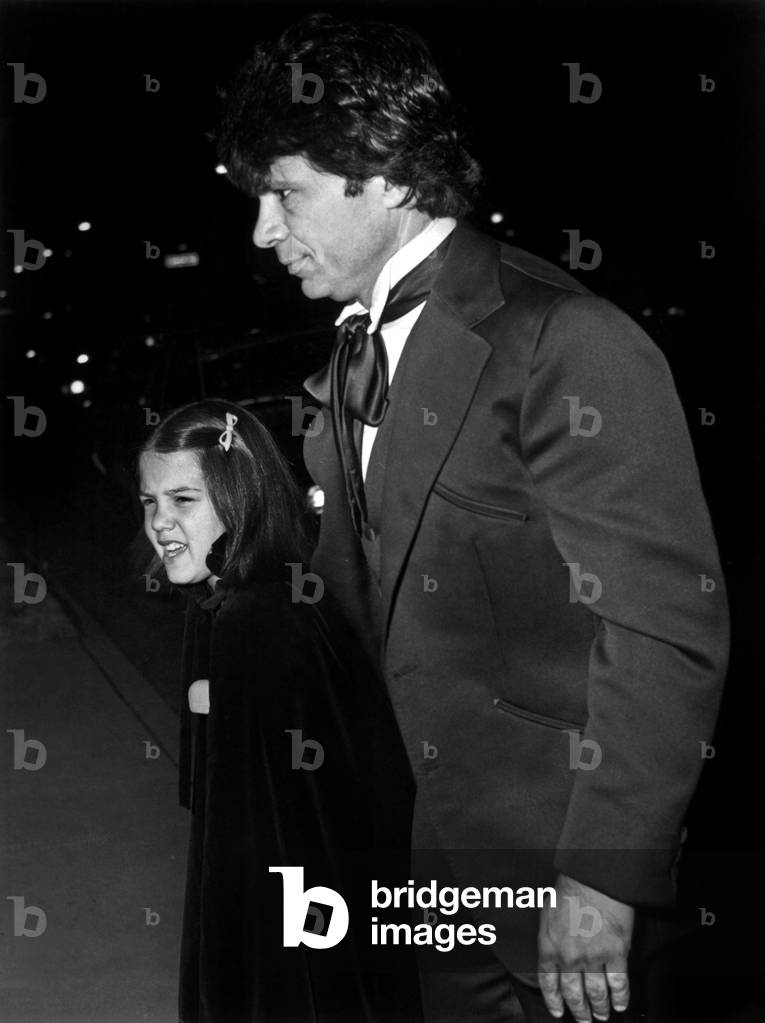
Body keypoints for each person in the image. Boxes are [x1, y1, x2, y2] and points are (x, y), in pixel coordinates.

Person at [214, 14, 729, 1022]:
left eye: (285, 192)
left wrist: (604, 876)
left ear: (388, 175)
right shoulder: (347, 362)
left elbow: (666, 630)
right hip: (430, 871)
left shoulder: (562, 342)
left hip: (565, 892)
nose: (263, 230)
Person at [137, 398, 422, 1023]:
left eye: (184, 500)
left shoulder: (257, 617)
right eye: (150, 502)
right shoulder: (224, 606)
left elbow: (296, 837)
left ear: (242, 499)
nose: (160, 522)